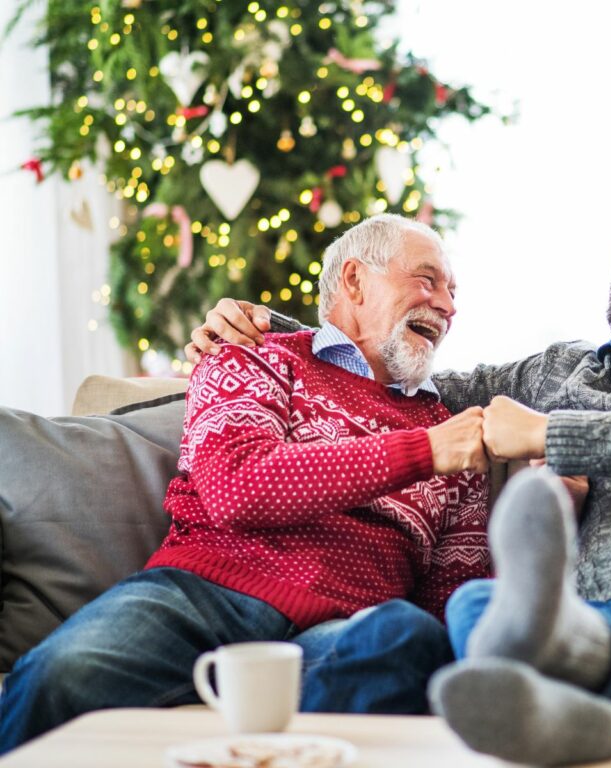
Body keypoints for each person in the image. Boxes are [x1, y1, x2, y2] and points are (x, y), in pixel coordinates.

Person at [187, 169, 611, 766]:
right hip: (594, 611)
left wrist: (553, 434)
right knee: (477, 602)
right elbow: (390, 375)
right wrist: (268, 330)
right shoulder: (558, 371)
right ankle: (575, 705)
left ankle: (568, 682)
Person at [0, 214, 493, 754]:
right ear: (354, 280)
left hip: (343, 633)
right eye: (427, 280)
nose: (448, 305)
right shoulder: (253, 354)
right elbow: (238, 487)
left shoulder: (449, 428)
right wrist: (424, 452)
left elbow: (451, 598)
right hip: (206, 595)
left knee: (408, 638)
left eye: (452, 291)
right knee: (65, 673)